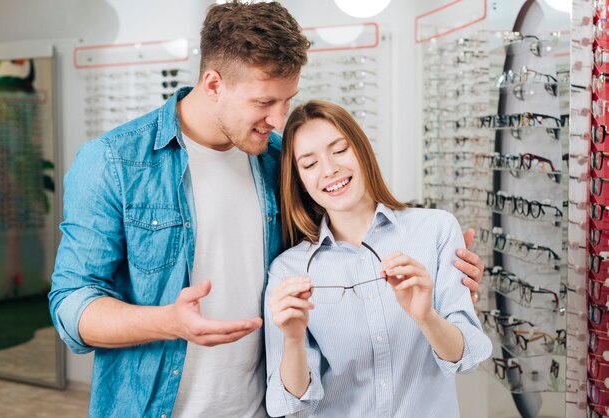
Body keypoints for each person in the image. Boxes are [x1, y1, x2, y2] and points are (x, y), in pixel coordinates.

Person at [48, 1, 485, 417]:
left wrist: (446, 269)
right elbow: (72, 305)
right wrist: (168, 322)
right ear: (214, 84)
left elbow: (343, 250)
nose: (279, 120)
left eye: (287, 100)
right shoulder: (113, 162)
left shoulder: (280, 161)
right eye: (263, 103)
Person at [265, 100, 492, 417]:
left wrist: (426, 316)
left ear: (361, 150)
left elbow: (468, 358)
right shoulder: (288, 270)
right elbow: (293, 403)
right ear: (298, 179)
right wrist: (292, 339)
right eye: (309, 163)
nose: (329, 169)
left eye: (339, 149)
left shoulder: (436, 230)